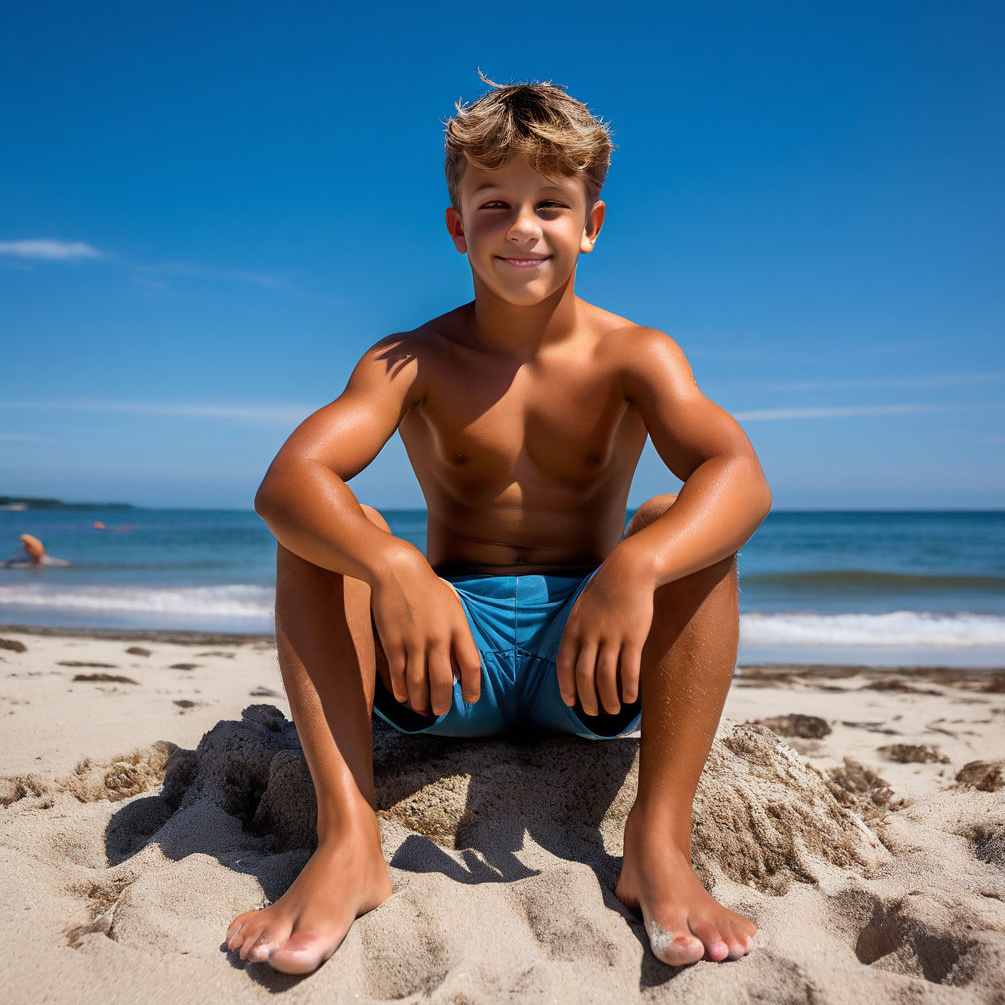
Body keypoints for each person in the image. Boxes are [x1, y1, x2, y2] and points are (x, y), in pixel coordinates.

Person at [226, 74, 772, 975]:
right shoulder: (412, 359)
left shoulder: (636, 354)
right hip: (443, 662)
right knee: (332, 520)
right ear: (458, 227)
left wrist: (634, 571)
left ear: (591, 224)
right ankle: (348, 838)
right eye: (496, 204)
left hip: (591, 660)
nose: (524, 227)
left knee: (679, 513)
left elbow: (740, 474)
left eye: (551, 205)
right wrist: (398, 569)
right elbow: (287, 480)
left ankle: (659, 841)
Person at [0, 533, 70, 567]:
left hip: (39, 559)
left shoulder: (33, 548)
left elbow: (36, 556)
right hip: (41, 558)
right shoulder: (31, 545)